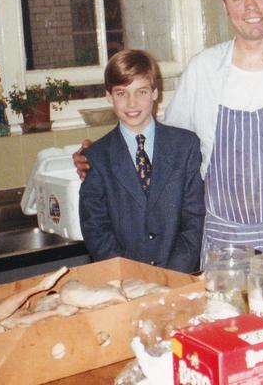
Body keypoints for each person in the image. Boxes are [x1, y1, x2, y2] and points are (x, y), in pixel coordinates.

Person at [75, 0, 263, 265]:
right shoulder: (203, 70)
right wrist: (94, 157)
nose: (251, 8)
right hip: (223, 244)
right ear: (225, 6)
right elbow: (164, 144)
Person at [78, 50, 205, 273]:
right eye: (121, 93)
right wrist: (134, 277)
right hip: (125, 281)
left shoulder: (185, 146)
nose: (132, 103)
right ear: (109, 97)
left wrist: (171, 275)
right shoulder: (95, 157)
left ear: (156, 93)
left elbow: (194, 220)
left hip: (179, 274)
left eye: (141, 91)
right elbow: (96, 229)